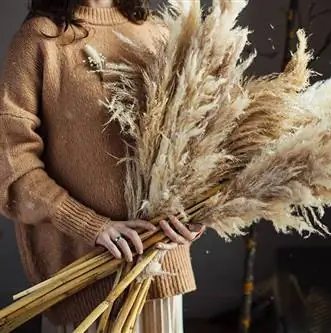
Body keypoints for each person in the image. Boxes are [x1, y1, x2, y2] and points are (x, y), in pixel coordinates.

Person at [0, 0, 204, 332]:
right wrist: (91, 226)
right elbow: (11, 161)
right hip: (84, 274)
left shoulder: (158, 32)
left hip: (160, 263)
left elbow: (191, 141)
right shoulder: (40, 40)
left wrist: (195, 209)